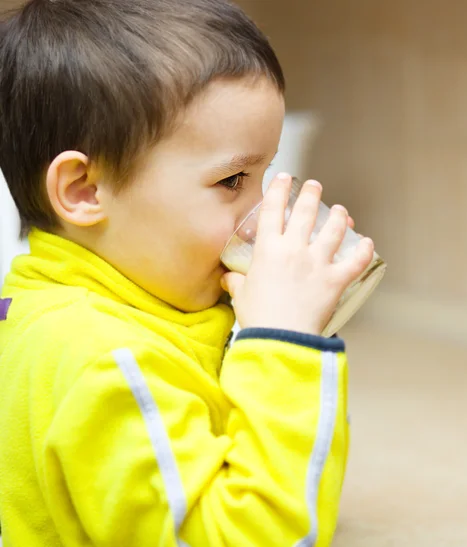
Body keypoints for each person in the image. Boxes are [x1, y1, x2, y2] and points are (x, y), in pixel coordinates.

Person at [0, 0, 375, 546]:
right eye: (231, 181)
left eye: (266, 173)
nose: (263, 212)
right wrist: (284, 347)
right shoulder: (102, 362)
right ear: (84, 190)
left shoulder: (149, 303)